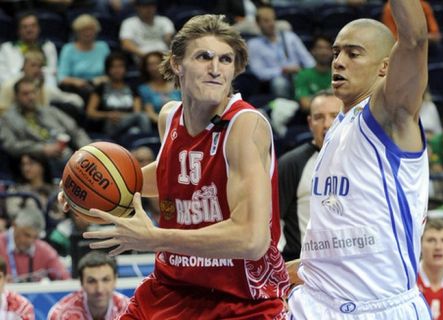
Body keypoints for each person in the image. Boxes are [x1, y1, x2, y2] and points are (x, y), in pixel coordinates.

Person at [64, 14, 289, 319]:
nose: (215, 69)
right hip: (171, 288)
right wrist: (80, 190)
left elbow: (251, 240)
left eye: (225, 60)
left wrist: (155, 238)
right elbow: (170, 174)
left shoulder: (244, 126)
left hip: (239, 299)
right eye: (204, 57)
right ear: (176, 63)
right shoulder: (169, 117)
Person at [287, 0, 432, 318]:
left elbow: (415, 39)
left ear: (385, 67)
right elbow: (335, 243)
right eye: (337, 52)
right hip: (316, 303)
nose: (338, 61)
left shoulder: (390, 116)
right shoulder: (336, 129)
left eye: (353, 53)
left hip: (381, 307)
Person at [279, 91, 342, 261]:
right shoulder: (291, 163)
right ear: (309, 123)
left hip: (347, 268)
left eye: (335, 116)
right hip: (302, 269)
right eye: (319, 117)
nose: (327, 124)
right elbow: (271, 221)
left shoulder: (362, 161)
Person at [0, 78, 91, 176]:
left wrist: (88, 150)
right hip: (38, 161)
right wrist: (42, 149)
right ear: (16, 96)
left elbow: (75, 131)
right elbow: (11, 145)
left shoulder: (50, 111)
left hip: (69, 155)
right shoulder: (7, 119)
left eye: (33, 92)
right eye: (25, 94)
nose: (31, 97)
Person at [247, 4, 315, 98]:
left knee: (307, 77)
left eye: (273, 19)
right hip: (275, 79)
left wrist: (304, 72)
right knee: (279, 83)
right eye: (266, 21)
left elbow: (309, 61)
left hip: (297, 74)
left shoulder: (290, 37)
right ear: (258, 23)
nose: (271, 24)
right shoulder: (254, 44)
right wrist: (282, 70)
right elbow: (259, 72)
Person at [85, 51, 151, 140]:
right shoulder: (101, 88)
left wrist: (123, 116)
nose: (117, 70)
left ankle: (146, 141)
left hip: (128, 120)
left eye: (120, 66)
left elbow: (137, 112)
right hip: (110, 123)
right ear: (108, 69)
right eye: (114, 67)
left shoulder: (132, 88)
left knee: (141, 117)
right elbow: (90, 112)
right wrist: (108, 115)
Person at [48, 251, 129, 319]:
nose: (99, 289)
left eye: (106, 280)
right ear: (82, 283)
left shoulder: (128, 310)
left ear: (115, 280)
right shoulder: (61, 315)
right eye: (91, 281)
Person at [0, 50, 83, 116]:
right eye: (33, 65)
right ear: (23, 66)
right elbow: (2, 110)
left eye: (40, 66)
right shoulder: (9, 85)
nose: (37, 70)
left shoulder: (44, 87)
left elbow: (71, 99)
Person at [0, 207, 70, 282]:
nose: (30, 241)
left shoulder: (44, 250)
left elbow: (65, 280)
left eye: (35, 237)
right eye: (27, 235)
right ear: (14, 225)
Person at [57, 14, 110, 103]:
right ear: (77, 32)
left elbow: (112, 72)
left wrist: (102, 79)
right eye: (84, 30)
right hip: (77, 90)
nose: (88, 33)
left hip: (101, 88)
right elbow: (61, 77)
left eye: (91, 29)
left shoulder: (103, 47)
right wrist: (75, 81)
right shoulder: (68, 49)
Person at [0, 11, 57, 86]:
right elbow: (3, 76)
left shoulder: (48, 47)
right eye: (25, 27)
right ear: (18, 30)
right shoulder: (7, 48)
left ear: (39, 28)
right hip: (14, 89)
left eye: (33, 26)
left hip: (43, 88)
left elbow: (52, 72)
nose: (29, 30)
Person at [137, 51, 181, 125]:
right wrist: (168, 124)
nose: (154, 67)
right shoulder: (144, 89)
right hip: (158, 125)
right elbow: (150, 114)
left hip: (181, 123)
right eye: (150, 65)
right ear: (146, 68)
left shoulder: (177, 86)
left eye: (157, 63)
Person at [294, 35, 334, 112]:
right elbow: (305, 105)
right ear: (312, 51)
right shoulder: (303, 75)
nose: (324, 52)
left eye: (327, 48)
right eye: (320, 48)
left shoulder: (338, 75)